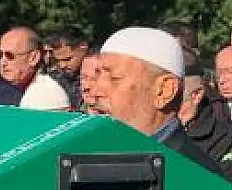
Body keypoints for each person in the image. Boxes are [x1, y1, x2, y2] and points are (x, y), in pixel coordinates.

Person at [94, 28, 219, 172]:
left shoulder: (197, 176)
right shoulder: (85, 152)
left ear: (164, 90)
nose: (96, 92)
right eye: (97, 75)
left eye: (115, 79)